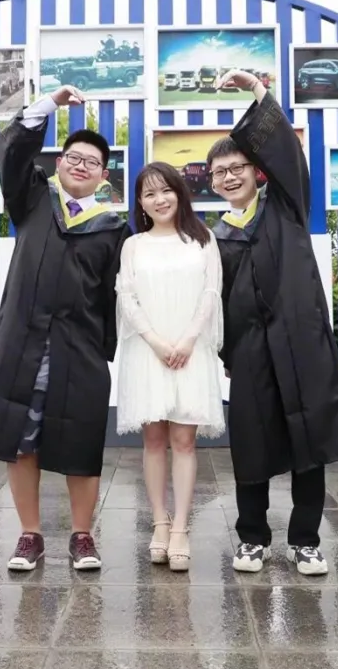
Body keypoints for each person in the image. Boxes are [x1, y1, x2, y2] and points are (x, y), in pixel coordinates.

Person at [207, 69, 338, 576]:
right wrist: (227, 352)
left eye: (237, 167)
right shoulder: (215, 236)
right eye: (219, 172)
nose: (229, 177)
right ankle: (252, 538)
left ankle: (305, 541)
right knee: (251, 442)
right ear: (211, 182)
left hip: (300, 343)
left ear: (257, 172)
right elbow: (214, 302)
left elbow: (287, 153)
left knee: (308, 440)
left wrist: (257, 92)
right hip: (250, 350)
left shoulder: (285, 207)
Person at [0, 84, 132, 572]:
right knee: (20, 439)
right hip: (24, 343)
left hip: (79, 349)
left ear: (103, 176)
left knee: (81, 441)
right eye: (73, 157)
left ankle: (82, 536)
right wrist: (49, 104)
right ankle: (30, 534)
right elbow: (10, 152)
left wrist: (104, 350)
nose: (81, 165)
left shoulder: (114, 228)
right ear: (59, 162)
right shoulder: (32, 199)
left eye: (92, 162)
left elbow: (116, 297)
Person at [115, 161, 225, 572]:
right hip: (149, 352)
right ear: (140, 203)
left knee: (184, 441)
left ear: (180, 192)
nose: (159, 199)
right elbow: (127, 298)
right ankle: (159, 523)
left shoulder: (202, 240)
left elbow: (211, 294)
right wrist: (158, 343)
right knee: (153, 440)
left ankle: (180, 528)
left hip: (190, 351)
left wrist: (188, 340)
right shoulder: (133, 245)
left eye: (166, 190)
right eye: (149, 194)